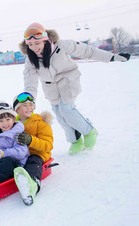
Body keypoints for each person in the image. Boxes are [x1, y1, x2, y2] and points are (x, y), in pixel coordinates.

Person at [18, 22, 131, 154]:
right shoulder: (30, 59)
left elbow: (88, 51)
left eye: (37, 43)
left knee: (66, 109)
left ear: (45, 39)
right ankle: (75, 141)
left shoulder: (62, 45)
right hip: (50, 87)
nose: (34, 47)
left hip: (68, 80)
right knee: (59, 114)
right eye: (30, 45)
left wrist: (112, 57)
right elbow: (30, 82)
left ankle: (89, 131)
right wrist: (29, 99)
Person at [12, 92, 53, 205]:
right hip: (19, 154)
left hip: (37, 155)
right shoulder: (13, 123)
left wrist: (30, 140)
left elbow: (47, 145)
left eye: (31, 104)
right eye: (25, 105)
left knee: (33, 162)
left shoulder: (41, 123)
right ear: (17, 109)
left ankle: (32, 185)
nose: (29, 108)